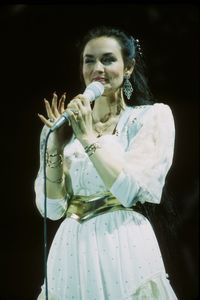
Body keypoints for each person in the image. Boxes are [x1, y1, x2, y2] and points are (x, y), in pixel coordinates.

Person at [35, 26, 178, 299]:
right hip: (72, 246)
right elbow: (51, 208)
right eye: (89, 60)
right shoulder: (63, 129)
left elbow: (128, 190)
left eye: (108, 59)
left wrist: (88, 138)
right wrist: (55, 144)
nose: (97, 68)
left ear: (128, 67)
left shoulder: (148, 119)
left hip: (122, 243)